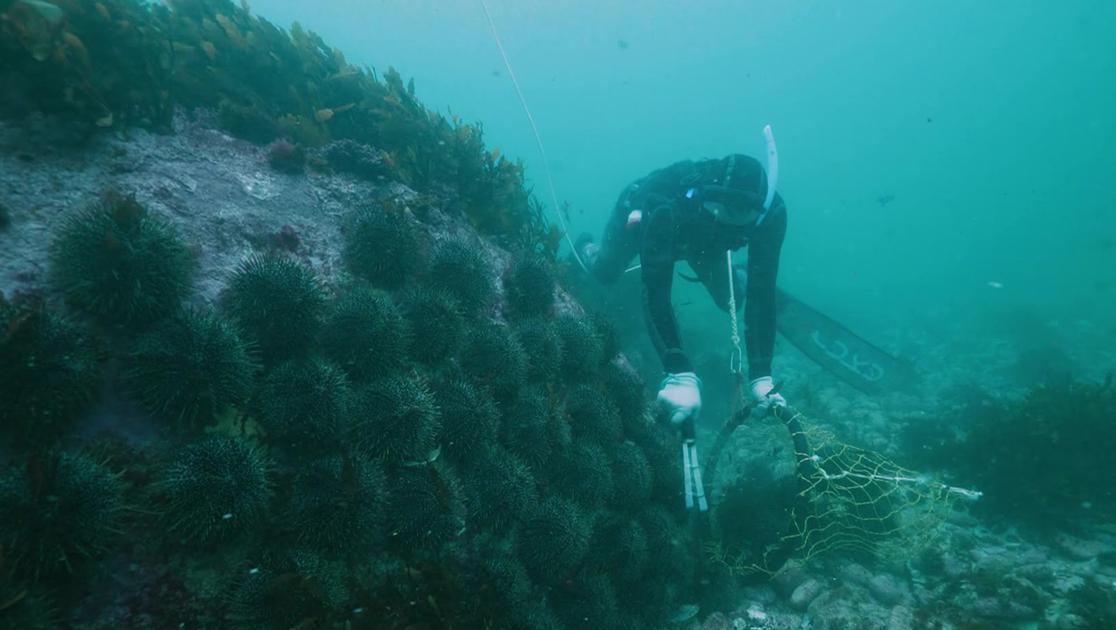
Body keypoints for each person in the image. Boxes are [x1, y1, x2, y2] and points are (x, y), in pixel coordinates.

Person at [576, 153, 788, 426]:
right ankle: (587, 247)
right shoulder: (668, 204)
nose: (720, 216)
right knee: (604, 272)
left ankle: (742, 275)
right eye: (717, 205)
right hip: (644, 224)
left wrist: (762, 377)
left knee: (731, 299)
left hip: (705, 247)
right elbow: (655, 287)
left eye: (734, 211)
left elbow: (763, 291)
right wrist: (679, 370)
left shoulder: (771, 215)